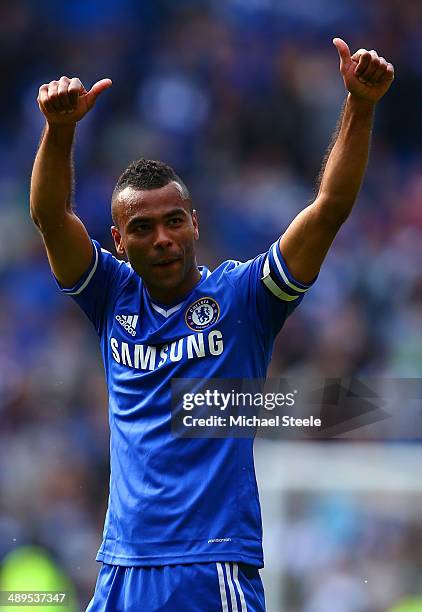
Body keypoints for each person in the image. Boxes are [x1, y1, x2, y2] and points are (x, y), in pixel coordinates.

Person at [30, 38, 394, 611]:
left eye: (174, 220)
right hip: (121, 566)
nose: (163, 238)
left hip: (211, 565)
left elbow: (328, 208)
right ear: (119, 242)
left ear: (195, 223)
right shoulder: (109, 296)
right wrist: (60, 131)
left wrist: (361, 104)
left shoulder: (245, 296)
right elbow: (51, 217)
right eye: (144, 227)